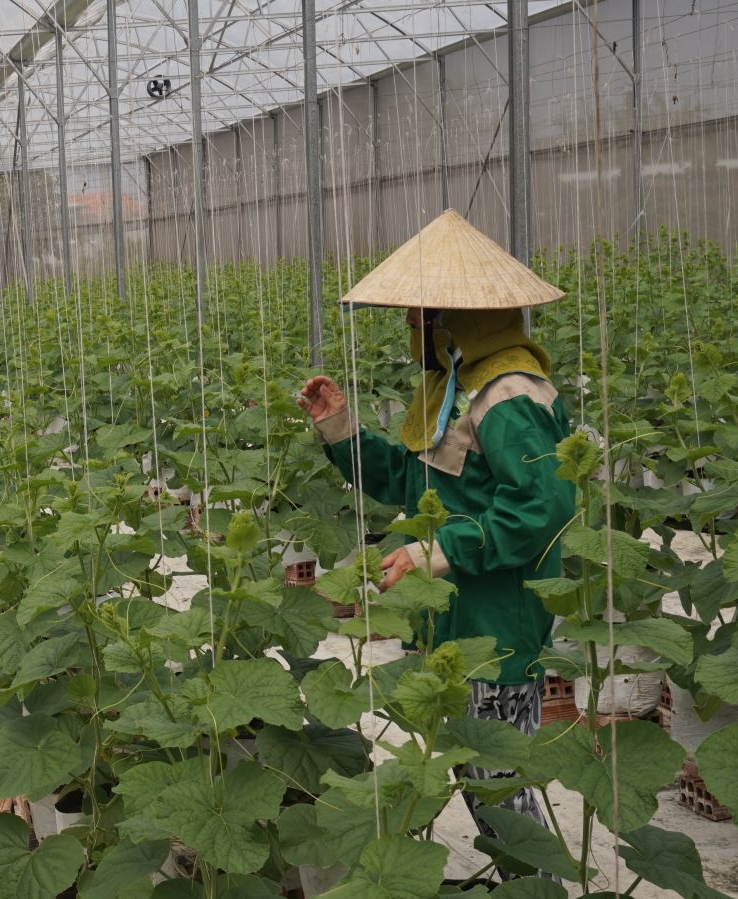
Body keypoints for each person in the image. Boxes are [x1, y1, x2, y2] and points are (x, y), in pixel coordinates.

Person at [296, 210, 574, 874]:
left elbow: (543, 506)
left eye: (418, 314)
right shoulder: (458, 387)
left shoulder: (510, 395)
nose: (410, 326)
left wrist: (442, 549)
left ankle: (533, 886)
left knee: (496, 779)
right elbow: (410, 481)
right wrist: (341, 429)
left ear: (454, 317)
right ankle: (525, 882)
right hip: (453, 609)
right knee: (481, 770)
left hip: (497, 615)